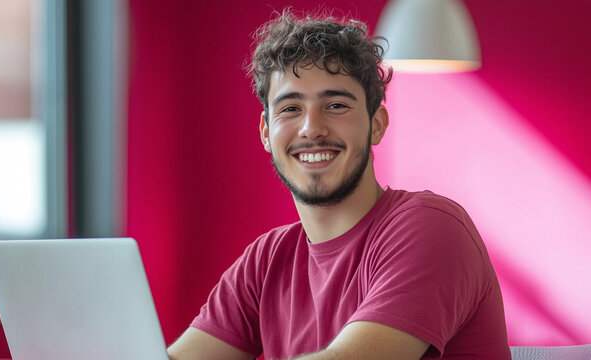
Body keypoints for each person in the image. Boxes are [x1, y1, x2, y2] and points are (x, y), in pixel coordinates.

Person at [168, 10, 511, 360]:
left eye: (335, 105)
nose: (311, 128)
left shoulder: (431, 226)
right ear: (266, 133)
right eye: (290, 108)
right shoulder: (266, 262)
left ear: (376, 124)